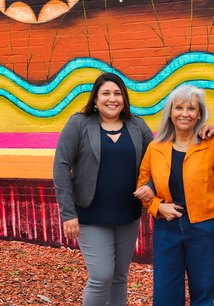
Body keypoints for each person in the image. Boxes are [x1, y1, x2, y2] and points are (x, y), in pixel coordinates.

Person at [53, 72, 154, 306]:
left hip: (127, 214)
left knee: (120, 277)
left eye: (118, 93)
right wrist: (68, 214)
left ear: (125, 98)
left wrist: (149, 186)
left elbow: (157, 160)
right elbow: (61, 167)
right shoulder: (78, 124)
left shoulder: (137, 125)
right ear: (95, 99)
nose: (113, 98)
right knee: (101, 276)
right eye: (106, 93)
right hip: (90, 215)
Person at [136, 85, 214, 306]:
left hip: (203, 227)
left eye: (191, 108)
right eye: (178, 107)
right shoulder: (155, 147)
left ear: (199, 113)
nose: (184, 113)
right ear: (170, 112)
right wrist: (157, 207)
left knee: (202, 290)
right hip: (167, 227)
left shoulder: (213, 143)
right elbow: (143, 185)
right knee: (165, 292)